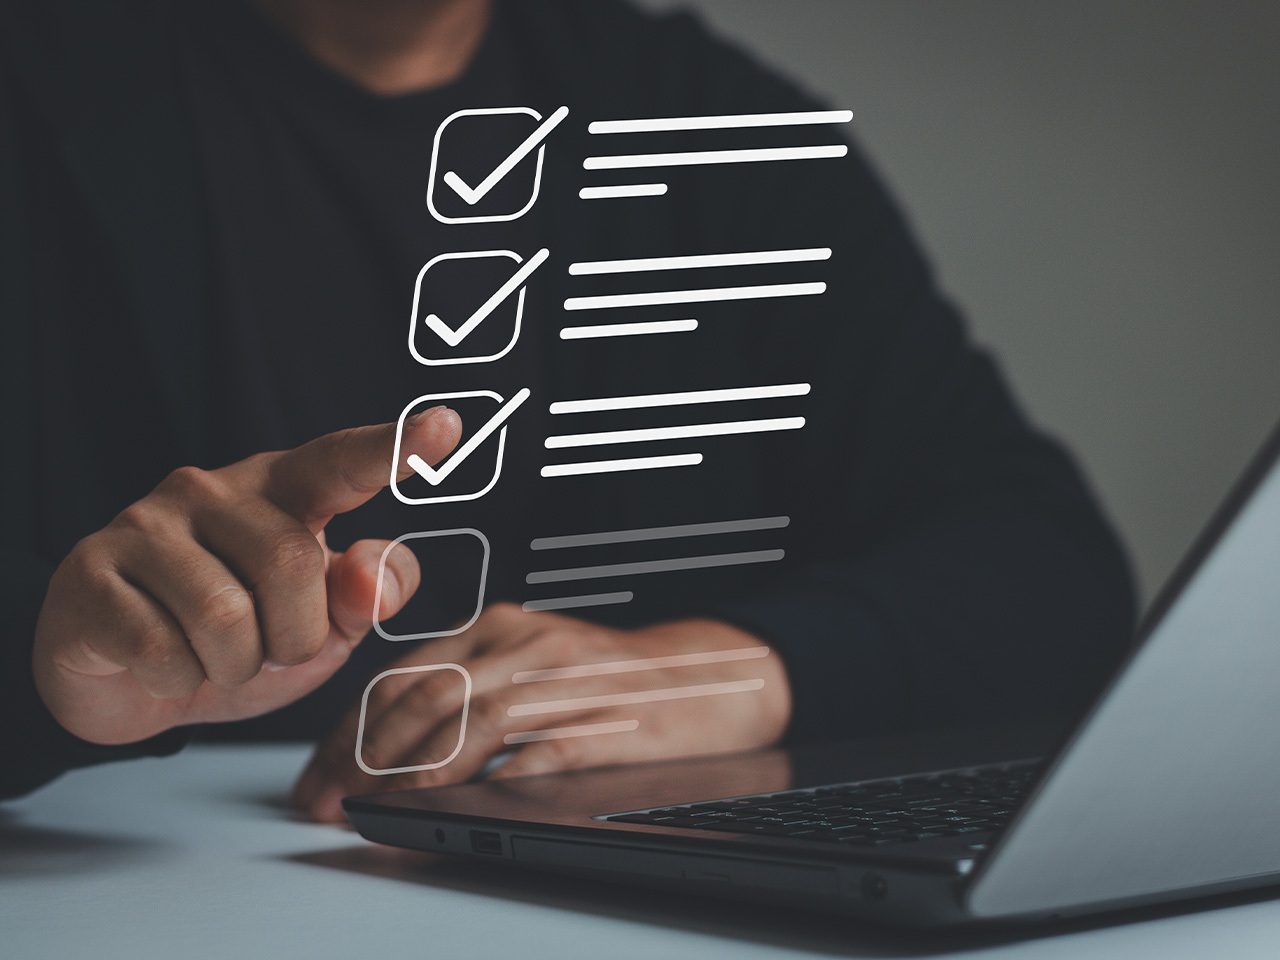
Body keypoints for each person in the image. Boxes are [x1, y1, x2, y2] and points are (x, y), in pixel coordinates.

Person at [0, 0, 1135, 821]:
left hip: (604, 887)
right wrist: (44, 676)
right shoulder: (45, 80)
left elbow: (1050, 565)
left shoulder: (702, 123)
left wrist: (731, 668)